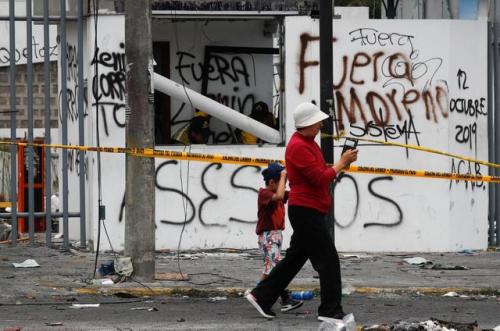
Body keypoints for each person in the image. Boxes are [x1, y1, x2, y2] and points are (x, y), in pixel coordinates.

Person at [245, 102, 359, 322]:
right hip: (306, 211)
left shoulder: (308, 143)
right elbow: (319, 179)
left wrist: (340, 164)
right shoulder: (299, 146)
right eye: (317, 122)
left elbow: (320, 172)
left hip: (310, 209)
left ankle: (261, 296)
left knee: (293, 260)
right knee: (328, 260)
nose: (321, 125)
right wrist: (341, 164)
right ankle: (330, 310)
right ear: (307, 124)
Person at [254, 162, 303, 313]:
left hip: (275, 235)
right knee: (275, 269)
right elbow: (280, 195)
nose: (285, 184)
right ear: (271, 182)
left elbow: (295, 194)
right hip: (269, 235)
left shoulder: (278, 191)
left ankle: (256, 295)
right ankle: (284, 299)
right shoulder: (264, 193)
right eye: (282, 181)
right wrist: (283, 175)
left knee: (270, 269)